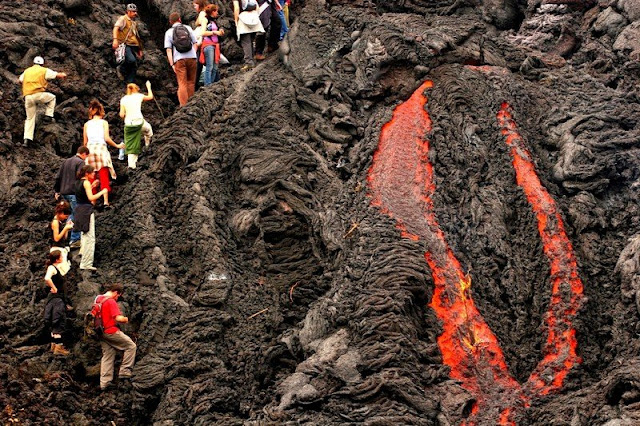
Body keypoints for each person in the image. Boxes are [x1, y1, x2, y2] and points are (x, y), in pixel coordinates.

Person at [18, 56, 67, 147]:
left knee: (29, 118)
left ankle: (26, 140)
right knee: (52, 98)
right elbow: (58, 75)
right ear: (42, 64)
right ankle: (48, 116)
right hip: (38, 94)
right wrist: (64, 74)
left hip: (28, 97)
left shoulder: (27, 71)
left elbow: (20, 80)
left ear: (33, 63)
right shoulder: (44, 70)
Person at [95, 283, 136, 390]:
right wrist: (126, 319)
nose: (117, 298)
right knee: (131, 346)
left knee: (108, 354)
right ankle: (125, 372)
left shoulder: (98, 299)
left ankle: (104, 383)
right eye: (118, 296)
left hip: (100, 332)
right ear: (116, 292)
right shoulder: (110, 301)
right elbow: (118, 318)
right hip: (110, 331)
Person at [83, 100, 124, 202]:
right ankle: (105, 201)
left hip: (90, 151)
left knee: (91, 176)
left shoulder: (87, 124)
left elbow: (85, 142)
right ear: (101, 112)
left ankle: (93, 201)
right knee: (104, 176)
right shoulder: (104, 123)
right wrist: (117, 146)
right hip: (101, 150)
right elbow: (106, 138)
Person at [54, 146, 90, 249]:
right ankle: (74, 240)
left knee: (70, 214)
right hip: (74, 193)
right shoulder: (80, 163)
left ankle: (65, 236)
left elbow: (58, 177)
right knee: (77, 214)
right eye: (86, 157)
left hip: (64, 192)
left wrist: (57, 190)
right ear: (84, 154)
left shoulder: (66, 161)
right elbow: (80, 177)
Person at [74, 165, 108, 271]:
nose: (94, 174)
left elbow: (82, 194)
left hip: (79, 210)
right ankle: (86, 263)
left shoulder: (77, 182)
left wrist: (92, 187)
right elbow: (91, 198)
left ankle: (82, 253)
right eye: (92, 172)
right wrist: (102, 192)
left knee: (84, 235)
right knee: (90, 238)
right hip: (86, 211)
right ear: (87, 173)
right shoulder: (86, 183)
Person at [164, 12, 198, 106]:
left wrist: (172, 64)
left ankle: (184, 106)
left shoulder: (169, 32)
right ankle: (191, 104)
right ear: (180, 19)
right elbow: (195, 43)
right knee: (191, 82)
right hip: (192, 57)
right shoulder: (188, 28)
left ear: (170, 22)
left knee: (182, 84)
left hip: (179, 60)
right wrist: (193, 54)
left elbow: (169, 50)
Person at [119, 82, 153, 169]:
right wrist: (148, 87)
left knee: (131, 146)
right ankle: (148, 146)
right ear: (136, 89)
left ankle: (132, 166)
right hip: (139, 123)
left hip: (130, 125)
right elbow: (150, 97)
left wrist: (127, 115)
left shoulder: (123, 99)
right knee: (148, 131)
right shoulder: (139, 96)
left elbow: (121, 115)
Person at [44, 251, 71, 356]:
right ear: (57, 258)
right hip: (56, 300)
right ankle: (58, 348)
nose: (63, 257)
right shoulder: (52, 268)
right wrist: (54, 288)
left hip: (56, 299)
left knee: (54, 321)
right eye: (61, 256)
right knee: (58, 321)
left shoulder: (56, 268)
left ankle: (54, 346)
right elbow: (47, 278)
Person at [112, 4, 144, 83]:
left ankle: (130, 82)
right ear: (128, 11)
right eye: (133, 11)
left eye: (136, 11)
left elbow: (136, 36)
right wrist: (115, 40)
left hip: (134, 46)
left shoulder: (133, 22)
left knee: (136, 64)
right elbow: (116, 28)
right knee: (131, 60)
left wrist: (139, 49)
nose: (135, 13)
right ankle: (121, 67)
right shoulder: (123, 19)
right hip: (125, 45)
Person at [233, 0, 265, 71]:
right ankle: (251, 59)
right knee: (251, 40)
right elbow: (257, 6)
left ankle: (249, 62)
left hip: (243, 19)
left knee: (246, 42)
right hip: (253, 19)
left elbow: (237, 8)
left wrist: (236, 20)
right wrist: (255, 16)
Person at [200, 4, 224, 85]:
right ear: (212, 11)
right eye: (216, 11)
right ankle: (207, 85)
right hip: (208, 45)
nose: (217, 13)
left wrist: (220, 30)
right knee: (209, 67)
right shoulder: (205, 20)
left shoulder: (214, 21)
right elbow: (203, 32)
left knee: (215, 68)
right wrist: (214, 32)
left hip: (215, 45)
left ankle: (212, 85)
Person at [50, 201, 73, 275]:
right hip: (57, 249)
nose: (66, 218)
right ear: (61, 213)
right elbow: (56, 238)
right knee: (61, 272)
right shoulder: (55, 222)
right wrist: (65, 228)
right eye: (65, 216)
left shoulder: (60, 222)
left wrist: (67, 227)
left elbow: (64, 237)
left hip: (62, 247)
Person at [193, 0, 209, 89]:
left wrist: (200, 42)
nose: (194, 7)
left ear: (199, 5)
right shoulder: (202, 13)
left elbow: (203, 29)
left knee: (200, 63)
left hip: (200, 41)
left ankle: (197, 84)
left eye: (195, 5)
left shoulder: (202, 14)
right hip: (199, 40)